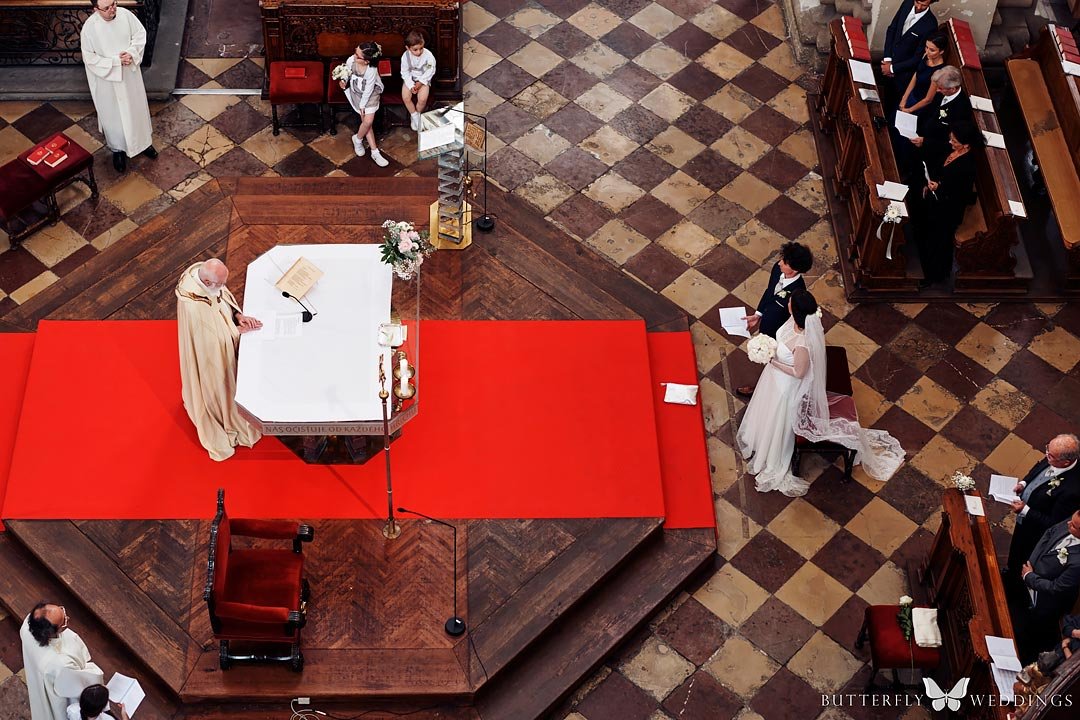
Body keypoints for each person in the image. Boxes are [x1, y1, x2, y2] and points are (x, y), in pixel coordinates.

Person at [735, 290, 905, 497]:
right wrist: (767, 347)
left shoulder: (803, 344)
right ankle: (760, 436)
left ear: (794, 309)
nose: (788, 303)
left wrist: (771, 360)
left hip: (787, 385)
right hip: (774, 377)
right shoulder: (793, 321)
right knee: (766, 409)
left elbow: (799, 373)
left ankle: (772, 452)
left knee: (776, 415)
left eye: (790, 302)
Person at [175, 258, 263, 461]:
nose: (223, 287)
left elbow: (222, 299)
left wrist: (237, 315)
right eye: (220, 284)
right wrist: (237, 331)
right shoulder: (194, 306)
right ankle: (226, 415)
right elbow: (211, 344)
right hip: (211, 362)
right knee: (220, 383)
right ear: (206, 283)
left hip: (225, 327)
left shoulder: (204, 274)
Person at [80, 0, 156, 174]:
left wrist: (131, 52)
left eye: (113, 3)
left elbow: (139, 35)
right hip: (107, 82)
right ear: (96, 9)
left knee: (135, 110)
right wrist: (115, 62)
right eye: (107, 8)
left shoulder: (126, 15)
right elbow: (89, 58)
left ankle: (144, 144)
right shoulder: (90, 29)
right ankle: (118, 151)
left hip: (129, 77)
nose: (112, 9)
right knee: (113, 116)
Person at [736, 242, 813, 398]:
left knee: (777, 362)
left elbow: (795, 320)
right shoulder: (777, 269)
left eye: (784, 262)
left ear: (795, 269)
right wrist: (758, 315)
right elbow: (769, 292)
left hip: (781, 333)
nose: (779, 263)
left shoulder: (798, 293)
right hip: (767, 323)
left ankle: (764, 390)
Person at [913, 120, 981, 288]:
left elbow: (961, 193)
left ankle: (933, 275)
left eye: (954, 141)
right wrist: (931, 183)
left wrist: (940, 188)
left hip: (949, 208)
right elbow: (940, 168)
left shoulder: (967, 166)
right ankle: (921, 254)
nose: (950, 142)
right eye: (951, 139)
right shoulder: (953, 150)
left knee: (940, 241)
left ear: (966, 145)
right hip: (938, 198)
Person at [1006, 434, 1080, 582]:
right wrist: (1024, 483)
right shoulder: (1054, 456)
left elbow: (1053, 522)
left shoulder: (1072, 490)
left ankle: (1015, 581)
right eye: (1047, 449)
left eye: (1050, 456)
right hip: (1024, 519)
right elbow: (1038, 469)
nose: (1047, 456)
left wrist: (1025, 511)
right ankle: (1010, 569)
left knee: (1023, 554)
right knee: (1014, 549)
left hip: (1034, 531)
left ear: (1066, 462)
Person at [1016, 511, 1080, 662]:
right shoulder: (1073, 522)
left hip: (1047, 601)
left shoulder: (1078, 563)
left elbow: (1056, 587)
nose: (1068, 524)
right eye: (1071, 521)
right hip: (1032, 578)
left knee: (1031, 632)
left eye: (1074, 526)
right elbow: (1050, 532)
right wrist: (1032, 563)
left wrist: (1030, 577)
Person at [21, 603, 104, 720]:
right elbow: (83, 684)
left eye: (62, 610)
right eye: (64, 622)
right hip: (59, 685)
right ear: (50, 634)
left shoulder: (27, 623)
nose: (67, 618)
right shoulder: (60, 664)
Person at [911, 66, 973, 174]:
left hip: (933, 152)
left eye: (940, 88)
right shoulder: (944, 91)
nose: (937, 90)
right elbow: (930, 112)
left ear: (953, 89)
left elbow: (950, 140)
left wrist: (925, 142)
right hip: (920, 136)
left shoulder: (961, 109)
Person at [340, 42, 390, 167]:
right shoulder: (352, 60)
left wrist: (363, 105)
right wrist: (343, 80)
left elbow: (368, 90)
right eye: (355, 52)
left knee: (368, 121)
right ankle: (374, 151)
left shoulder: (371, 70)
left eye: (357, 55)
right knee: (366, 122)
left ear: (367, 61)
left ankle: (357, 139)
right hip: (357, 92)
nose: (354, 56)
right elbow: (346, 72)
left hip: (370, 95)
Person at [881, 0, 938, 98]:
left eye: (924, 5)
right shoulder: (907, 3)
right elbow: (892, 30)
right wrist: (887, 60)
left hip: (902, 75)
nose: (919, 7)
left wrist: (892, 69)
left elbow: (918, 56)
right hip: (886, 62)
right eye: (917, 2)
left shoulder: (931, 25)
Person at [897, 33, 947, 116]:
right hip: (912, 95)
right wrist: (904, 98)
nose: (927, 52)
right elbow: (916, 76)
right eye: (926, 47)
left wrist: (909, 110)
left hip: (920, 104)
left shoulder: (939, 72)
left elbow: (928, 99)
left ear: (941, 51)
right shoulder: (926, 56)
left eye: (932, 50)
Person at [400, 30, 436, 132]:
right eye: (415, 50)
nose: (419, 52)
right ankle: (414, 116)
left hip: (423, 78)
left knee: (423, 99)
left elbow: (430, 69)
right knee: (406, 97)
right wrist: (411, 85)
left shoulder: (428, 55)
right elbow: (405, 72)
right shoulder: (405, 56)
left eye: (421, 48)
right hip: (410, 78)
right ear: (408, 48)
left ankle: (418, 113)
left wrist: (421, 82)